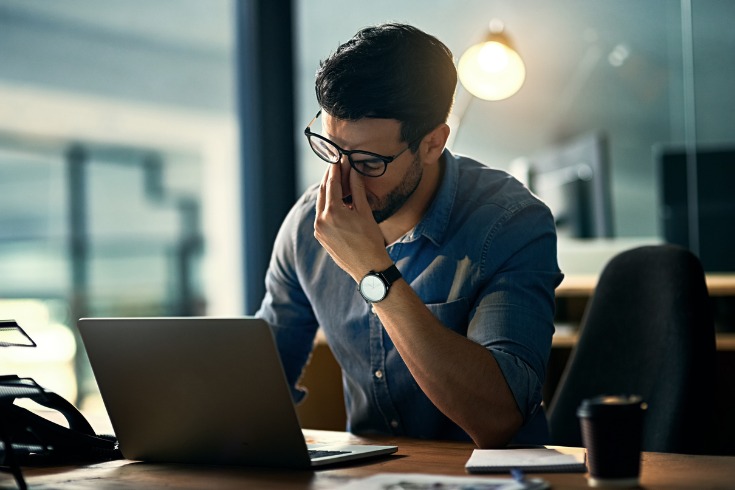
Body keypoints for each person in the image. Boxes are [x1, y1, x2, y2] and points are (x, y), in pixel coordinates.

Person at [256, 23, 563, 448]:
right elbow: (259, 384)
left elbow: (498, 418)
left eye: (367, 162)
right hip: (367, 478)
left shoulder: (510, 223)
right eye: (331, 150)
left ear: (433, 143)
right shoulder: (309, 224)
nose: (343, 180)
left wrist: (371, 271)